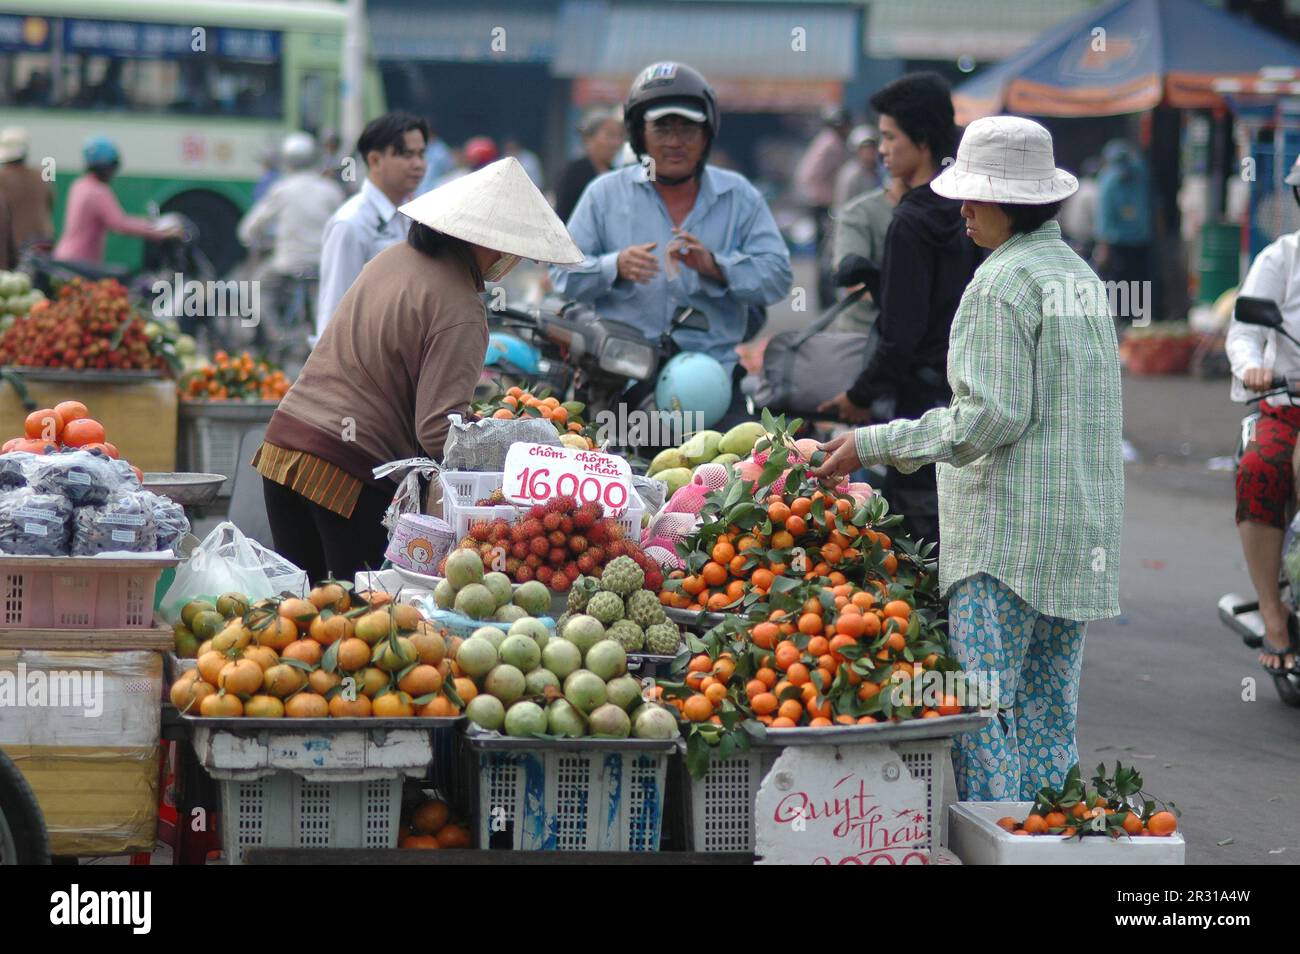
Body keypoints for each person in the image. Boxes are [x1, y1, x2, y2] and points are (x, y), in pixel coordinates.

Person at [814, 116, 1124, 802]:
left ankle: (998, 839)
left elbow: (989, 419)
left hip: (1004, 545)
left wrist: (874, 442)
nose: (963, 211)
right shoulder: (1077, 275)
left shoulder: (1000, 284)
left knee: (981, 716)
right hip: (1077, 539)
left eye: (975, 198)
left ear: (1008, 202)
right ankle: (1044, 841)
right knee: (1049, 722)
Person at [256, 157, 583, 582]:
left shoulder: (392, 259)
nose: (513, 259)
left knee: (301, 617)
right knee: (363, 618)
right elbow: (437, 433)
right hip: (345, 472)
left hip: (282, 449)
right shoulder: (462, 308)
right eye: (514, 247)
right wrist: (527, 442)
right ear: (490, 244)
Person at [550, 61, 792, 428]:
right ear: (638, 133)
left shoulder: (739, 196)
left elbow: (777, 276)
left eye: (688, 128)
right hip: (621, 383)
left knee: (731, 479)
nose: (675, 141)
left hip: (713, 383)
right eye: (662, 127)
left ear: (707, 133)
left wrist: (716, 265)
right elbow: (562, 274)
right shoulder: (603, 194)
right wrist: (613, 266)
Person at [818, 72, 982, 547]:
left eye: (890, 137)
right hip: (968, 389)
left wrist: (859, 394)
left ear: (923, 140)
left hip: (920, 399)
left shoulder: (911, 220)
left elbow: (900, 334)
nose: (882, 149)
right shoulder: (971, 211)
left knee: (919, 532)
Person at [1226, 155, 1300, 674]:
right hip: (1290, 404)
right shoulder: (1283, 258)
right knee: (1262, 468)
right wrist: (1253, 367)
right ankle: (1274, 614)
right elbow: (1245, 331)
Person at [316, 113, 430, 337]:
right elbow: (333, 310)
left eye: (421, 154)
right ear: (375, 160)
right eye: (407, 155)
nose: (418, 165)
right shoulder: (351, 223)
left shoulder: (410, 217)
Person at [237, 133, 344, 343]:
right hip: (323, 265)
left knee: (258, 285)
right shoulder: (331, 190)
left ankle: (275, 334)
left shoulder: (282, 190)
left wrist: (257, 239)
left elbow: (248, 230)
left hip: (288, 263)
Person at [52, 137, 182, 264]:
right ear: (106, 167)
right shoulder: (98, 192)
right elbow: (120, 224)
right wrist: (160, 232)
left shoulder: (79, 185)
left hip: (65, 257)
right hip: (80, 263)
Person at [830, 175, 906, 333]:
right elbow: (851, 280)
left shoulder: (953, 210)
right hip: (865, 331)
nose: (884, 150)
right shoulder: (858, 211)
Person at [795, 105, 852, 307]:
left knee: (825, 253)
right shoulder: (831, 144)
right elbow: (808, 176)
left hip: (820, 203)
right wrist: (828, 195)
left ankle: (826, 299)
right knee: (826, 253)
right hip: (822, 205)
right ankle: (826, 300)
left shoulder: (826, 141)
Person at [1094, 139, 1152, 299]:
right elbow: (1104, 216)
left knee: (1139, 280)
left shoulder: (1140, 174)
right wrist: (1104, 245)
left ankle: (1139, 315)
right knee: (1120, 281)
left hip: (1139, 239)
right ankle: (1122, 315)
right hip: (1118, 241)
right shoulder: (1109, 181)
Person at [553, 107, 626, 223]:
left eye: (620, 136)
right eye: (610, 135)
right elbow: (562, 214)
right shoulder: (573, 172)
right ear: (588, 139)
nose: (616, 143)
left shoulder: (616, 173)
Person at [0, 128, 55, 253]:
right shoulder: (43, 176)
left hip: (14, 249)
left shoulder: (1, 179)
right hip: (44, 244)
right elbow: (50, 206)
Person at [1059, 156, 1099, 260]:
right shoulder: (1094, 189)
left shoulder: (1077, 186)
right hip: (1086, 240)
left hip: (1068, 235)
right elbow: (1097, 218)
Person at [833, 125, 881, 212]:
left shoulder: (880, 170)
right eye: (865, 148)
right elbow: (842, 206)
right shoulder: (850, 175)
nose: (869, 152)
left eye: (872, 147)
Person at [413, 126, 457, 197]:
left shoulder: (440, 151)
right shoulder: (421, 149)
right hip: (419, 195)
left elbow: (450, 172)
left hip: (435, 194)